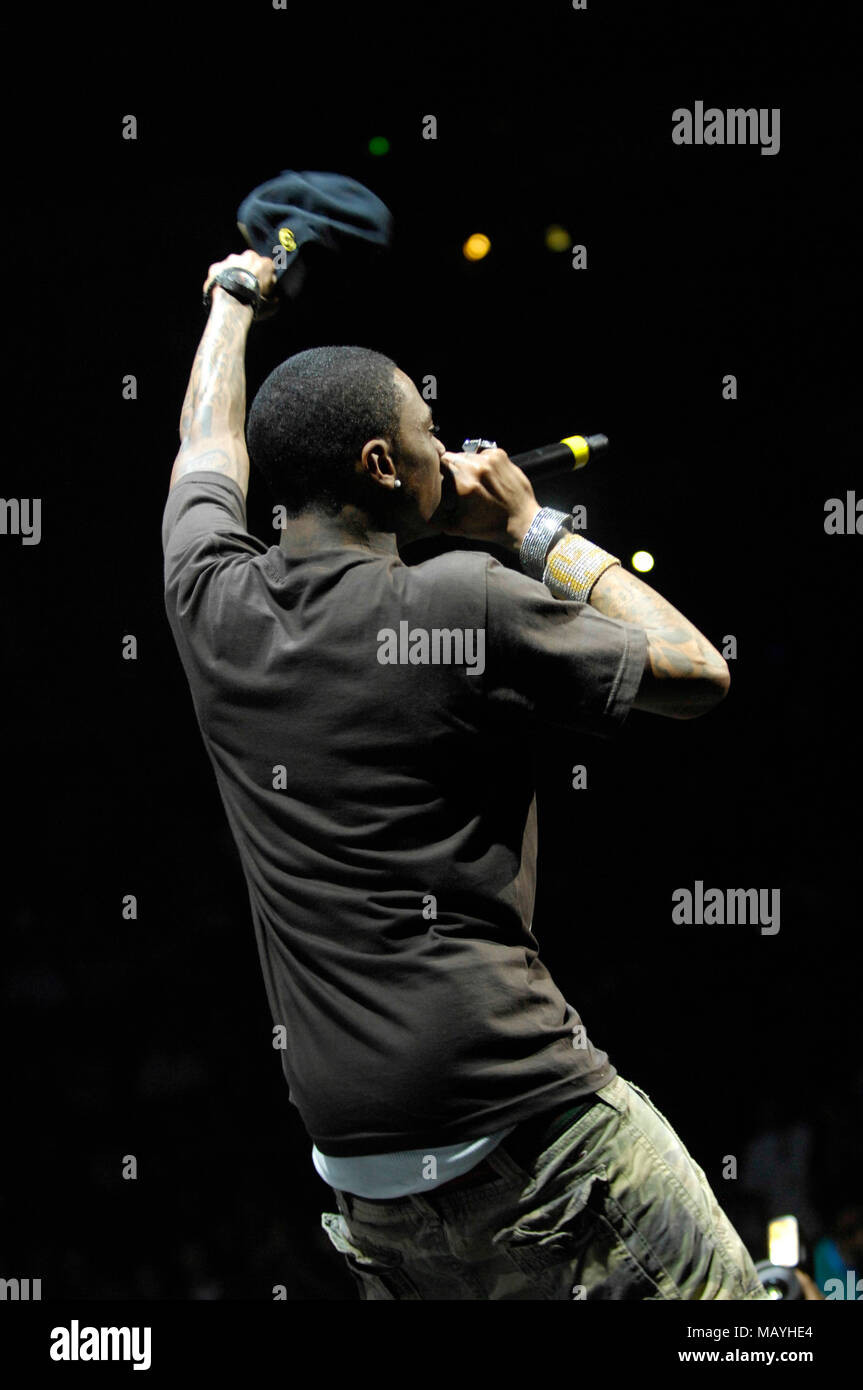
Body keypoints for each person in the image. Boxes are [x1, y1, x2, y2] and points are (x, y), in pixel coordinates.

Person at [162, 249, 770, 1300]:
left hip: (365, 1188)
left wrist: (228, 301)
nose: (450, 448)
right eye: (428, 434)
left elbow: (205, 440)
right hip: (535, 1130)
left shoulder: (205, 597)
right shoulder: (459, 601)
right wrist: (536, 533)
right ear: (379, 465)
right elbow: (697, 673)